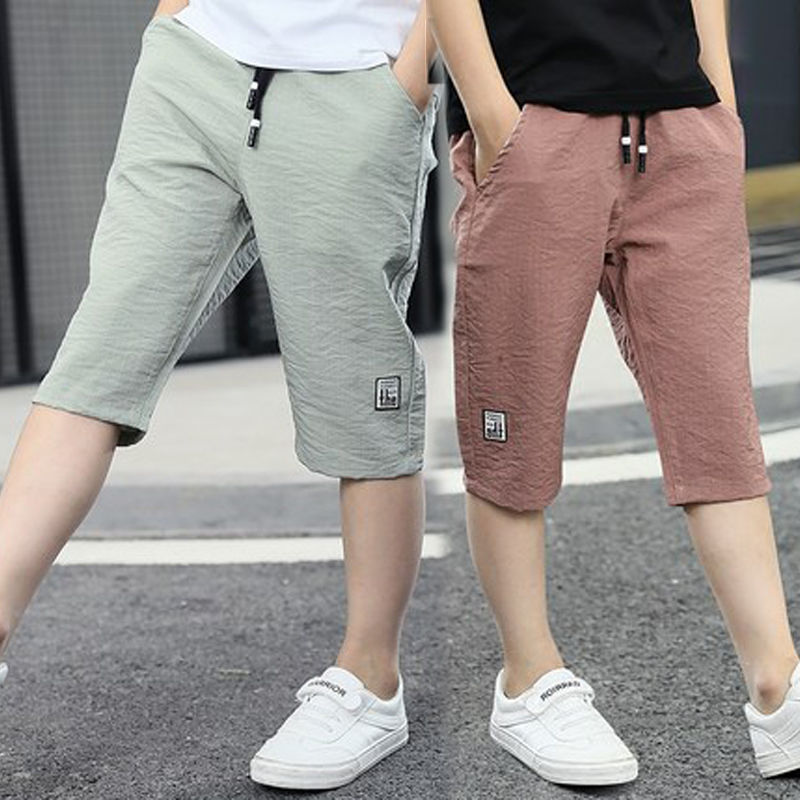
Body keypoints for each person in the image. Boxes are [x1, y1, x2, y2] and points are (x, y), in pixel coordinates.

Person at [0, 0, 438, 790]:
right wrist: (174, 20)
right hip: (194, 64)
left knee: (358, 391)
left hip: (353, 85)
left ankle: (371, 682)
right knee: (99, 356)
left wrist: (410, 73)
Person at [429, 0, 800, 786]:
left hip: (682, 132)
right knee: (512, 422)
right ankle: (529, 679)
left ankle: (780, 686)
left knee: (717, 418)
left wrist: (719, 106)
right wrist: (496, 123)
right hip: (538, 125)